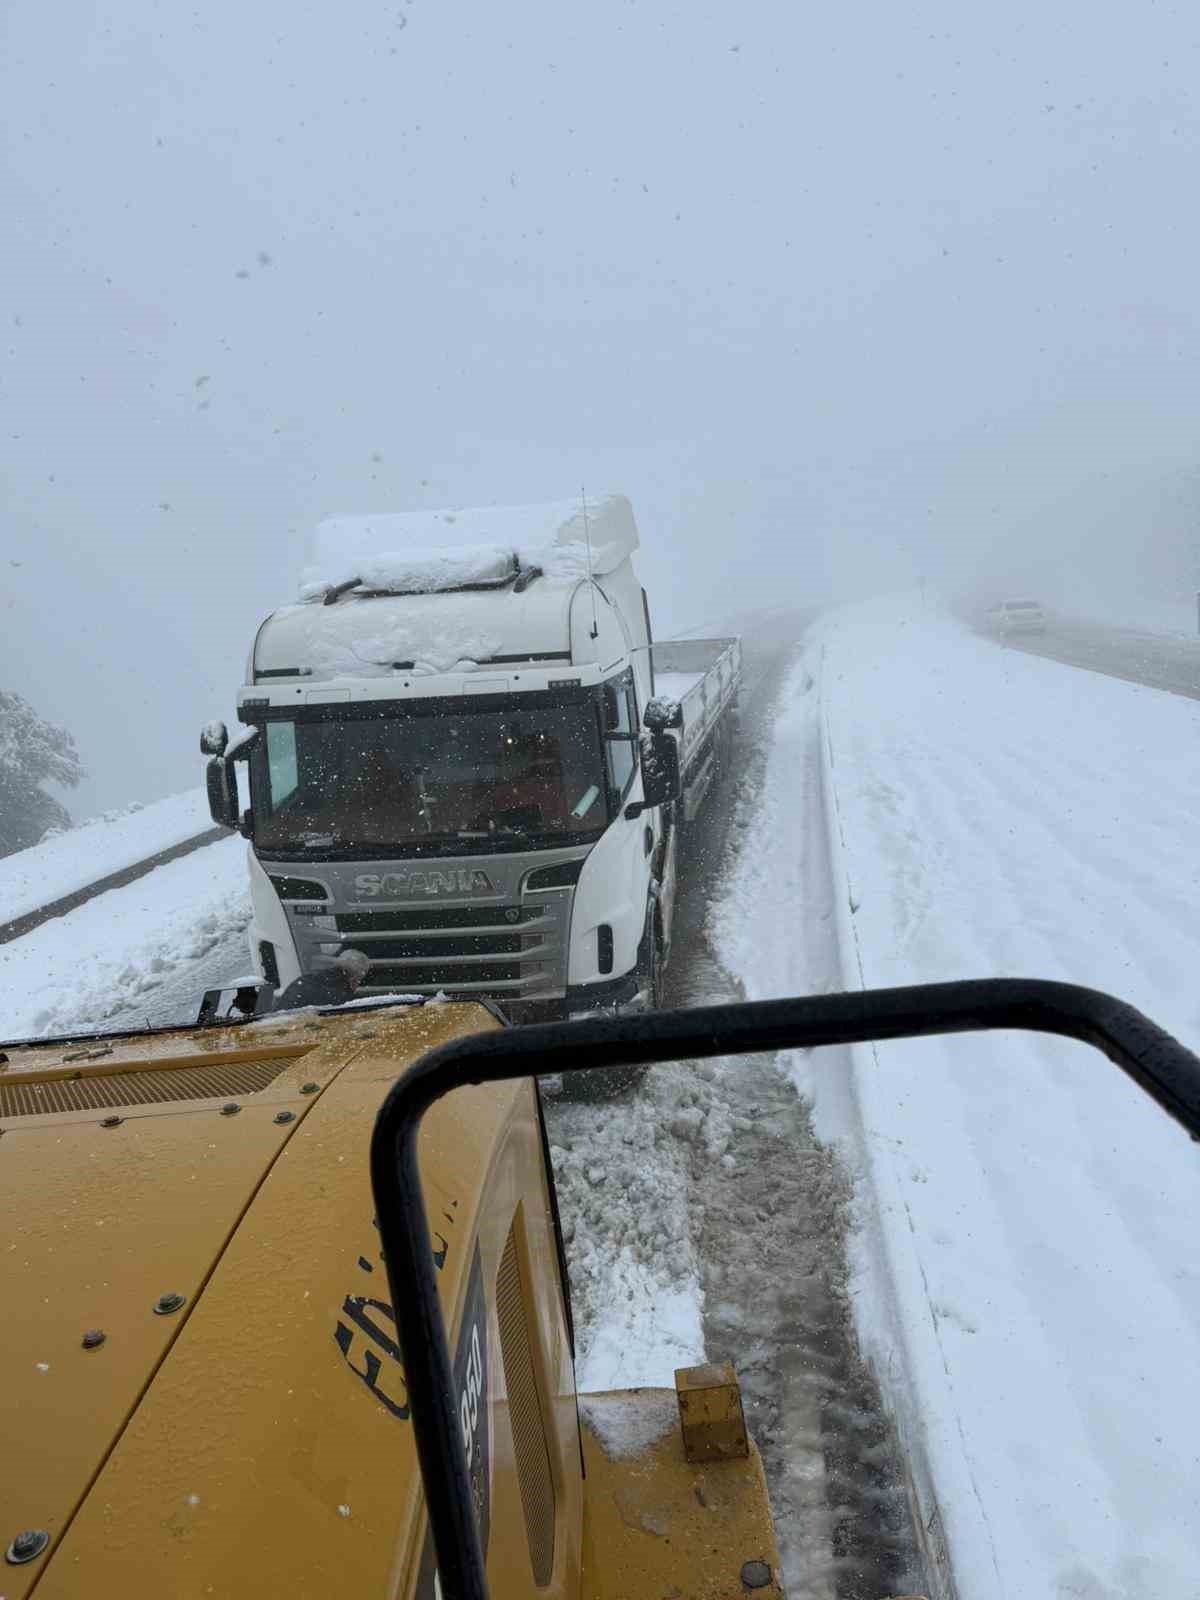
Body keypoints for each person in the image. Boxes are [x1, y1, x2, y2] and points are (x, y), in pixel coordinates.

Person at [272, 948, 371, 1011]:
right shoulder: (342, 999)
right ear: (353, 979)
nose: (357, 986)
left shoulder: (304, 980)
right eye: (359, 980)